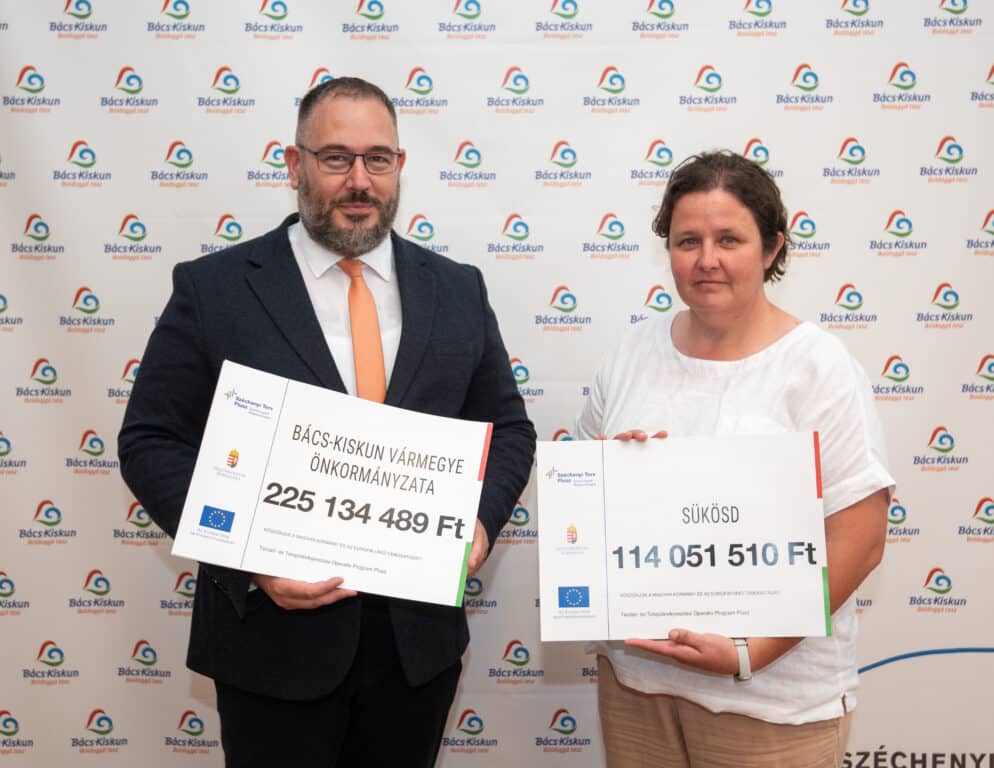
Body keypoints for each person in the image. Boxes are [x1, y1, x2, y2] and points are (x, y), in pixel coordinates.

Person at [118, 76, 535, 768]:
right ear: (295, 164)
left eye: (378, 159)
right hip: (271, 647)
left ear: (400, 166)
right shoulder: (215, 289)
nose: (359, 181)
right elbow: (151, 441)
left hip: (416, 647)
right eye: (336, 158)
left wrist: (481, 526)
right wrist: (248, 554)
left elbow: (509, 429)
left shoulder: (458, 289)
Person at [576, 150, 893, 767]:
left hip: (771, 702)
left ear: (772, 248)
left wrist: (753, 651)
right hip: (638, 684)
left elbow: (861, 539)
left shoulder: (819, 367)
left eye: (729, 240)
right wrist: (616, 476)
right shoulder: (632, 352)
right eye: (687, 241)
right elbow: (584, 501)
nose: (707, 259)